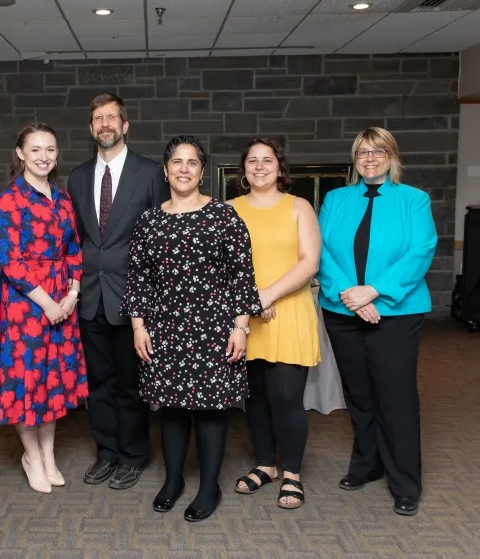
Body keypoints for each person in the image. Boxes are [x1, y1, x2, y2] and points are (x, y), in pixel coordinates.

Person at [123, 135, 262, 522]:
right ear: (165, 170)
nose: (184, 169)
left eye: (192, 163)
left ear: (202, 172)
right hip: (164, 327)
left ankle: (208, 486)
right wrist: (138, 327)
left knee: (211, 410)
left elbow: (241, 276)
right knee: (170, 408)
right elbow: (138, 279)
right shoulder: (149, 221)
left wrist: (241, 328)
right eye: (177, 163)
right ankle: (172, 481)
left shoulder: (223, 216)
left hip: (214, 328)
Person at [317, 127, 437, 517]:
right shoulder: (335, 199)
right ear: (354, 159)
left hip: (397, 313)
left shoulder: (413, 200)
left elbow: (421, 251)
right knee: (360, 394)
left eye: (378, 151)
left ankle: (405, 481)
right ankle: (367, 464)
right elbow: (319, 251)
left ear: (392, 156)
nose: (369, 158)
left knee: (395, 396)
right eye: (362, 152)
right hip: (343, 311)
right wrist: (350, 295)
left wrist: (375, 292)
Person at [66, 93, 168, 490]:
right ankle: (106, 452)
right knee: (99, 383)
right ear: (91, 128)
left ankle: (133, 455)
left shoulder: (150, 173)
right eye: (98, 119)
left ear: (125, 126)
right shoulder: (76, 176)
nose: (105, 124)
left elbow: (161, 237)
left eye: (112, 118)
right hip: (90, 297)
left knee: (130, 383)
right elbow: (78, 238)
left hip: (135, 300)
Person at [0, 123, 89, 494]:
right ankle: (30, 455)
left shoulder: (62, 199)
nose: (43, 157)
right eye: (35, 150)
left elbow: (75, 248)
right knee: (27, 382)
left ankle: (48, 456)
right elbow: (10, 261)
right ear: (20, 154)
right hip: (25, 306)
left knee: (52, 382)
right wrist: (47, 303)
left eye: (50, 149)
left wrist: (72, 294)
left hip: (63, 300)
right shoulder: (9, 200)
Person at [228, 137, 321, 510]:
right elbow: (223, 266)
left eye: (268, 160)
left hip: (288, 311)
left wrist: (266, 295)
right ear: (244, 169)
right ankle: (266, 465)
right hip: (244, 318)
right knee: (256, 399)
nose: (260, 166)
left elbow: (309, 262)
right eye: (253, 160)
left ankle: (293, 474)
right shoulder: (228, 210)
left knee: (285, 398)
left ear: (280, 168)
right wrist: (251, 301)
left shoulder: (299, 207)